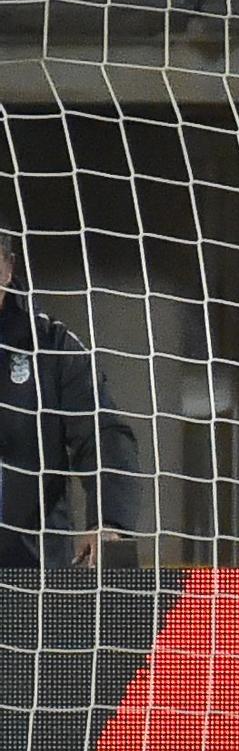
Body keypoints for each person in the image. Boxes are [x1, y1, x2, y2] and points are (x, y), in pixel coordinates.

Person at [0, 227, 142, 568]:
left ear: (6, 269)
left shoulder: (51, 346)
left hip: (30, 575)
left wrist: (109, 523)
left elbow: (102, 435)